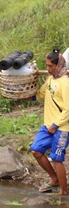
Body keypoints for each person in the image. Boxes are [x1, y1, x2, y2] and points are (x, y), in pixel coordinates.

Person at [31, 48, 69, 196]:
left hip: (62, 127)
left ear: (59, 66)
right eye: (46, 66)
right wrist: (25, 96)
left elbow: (67, 109)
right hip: (48, 125)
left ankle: (63, 192)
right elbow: (40, 95)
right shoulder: (50, 79)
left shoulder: (65, 83)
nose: (47, 69)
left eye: (50, 66)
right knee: (36, 150)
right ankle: (54, 179)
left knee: (56, 158)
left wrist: (55, 125)